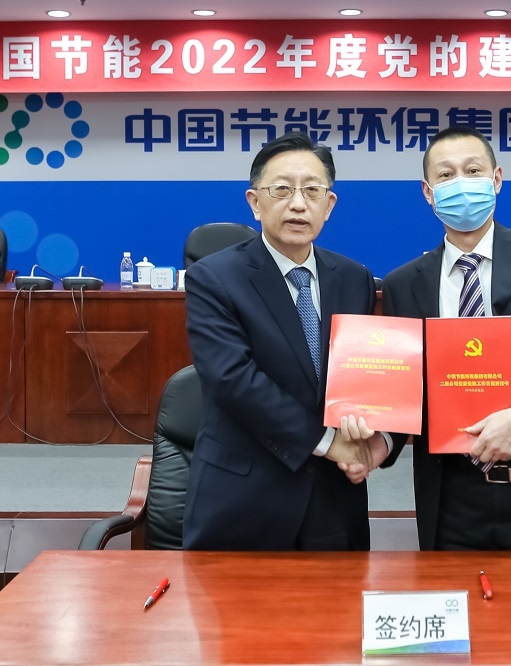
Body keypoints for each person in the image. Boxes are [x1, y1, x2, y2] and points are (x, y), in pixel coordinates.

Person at [345, 126, 511, 551]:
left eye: (472, 171)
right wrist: (381, 442)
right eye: (446, 175)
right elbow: (406, 389)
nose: (461, 184)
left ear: (496, 180)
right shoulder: (404, 284)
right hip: (454, 500)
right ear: (428, 192)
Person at [182, 131, 380, 551]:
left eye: (312, 190)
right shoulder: (213, 277)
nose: (298, 203)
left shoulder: (354, 278)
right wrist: (329, 443)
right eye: (283, 189)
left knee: (340, 594)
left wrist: (376, 439)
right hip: (245, 497)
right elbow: (232, 378)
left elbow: (364, 374)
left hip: (334, 495)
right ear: (255, 202)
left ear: (329, 205)